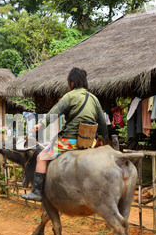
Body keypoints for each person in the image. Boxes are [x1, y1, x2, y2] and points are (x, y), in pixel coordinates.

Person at [21, 67, 108, 201]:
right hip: (89, 142)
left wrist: (41, 124)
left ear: (72, 82)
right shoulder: (94, 98)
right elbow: (102, 122)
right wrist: (102, 139)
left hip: (70, 141)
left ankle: (37, 192)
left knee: (42, 157)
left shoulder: (69, 96)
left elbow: (55, 111)